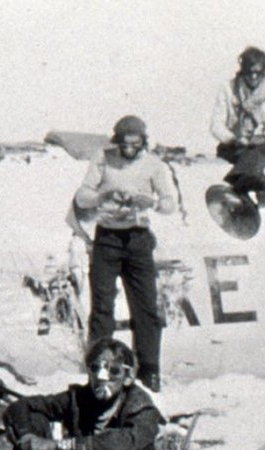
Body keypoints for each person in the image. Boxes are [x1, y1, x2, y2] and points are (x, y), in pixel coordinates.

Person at [74, 115, 178, 392]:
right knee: (102, 308)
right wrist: (101, 198)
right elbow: (82, 196)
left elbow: (170, 204)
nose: (130, 148)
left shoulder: (154, 165)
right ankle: (98, 370)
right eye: (125, 143)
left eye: (136, 143)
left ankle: (150, 371)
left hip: (138, 239)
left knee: (145, 307)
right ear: (116, 141)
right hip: (107, 238)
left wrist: (151, 202)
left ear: (143, 141)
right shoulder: (103, 158)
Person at [3, 338, 164, 450]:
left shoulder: (141, 408)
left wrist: (58, 444)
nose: (102, 377)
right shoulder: (80, 398)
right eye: (95, 368)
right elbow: (20, 406)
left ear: (128, 378)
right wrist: (33, 449)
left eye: (114, 371)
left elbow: (124, 444)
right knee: (34, 418)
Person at [210, 46, 265, 207]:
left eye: (258, 72)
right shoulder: (228, 88)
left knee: (261, 150)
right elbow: (216, 124)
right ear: (242, 71)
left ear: (264, 72)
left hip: (258, 147)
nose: (253, 76)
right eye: (249, 72)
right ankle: (264, 187)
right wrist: (232, 139)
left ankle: (242, 185)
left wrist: (264, 136)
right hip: (233, 146)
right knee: (247, 159)